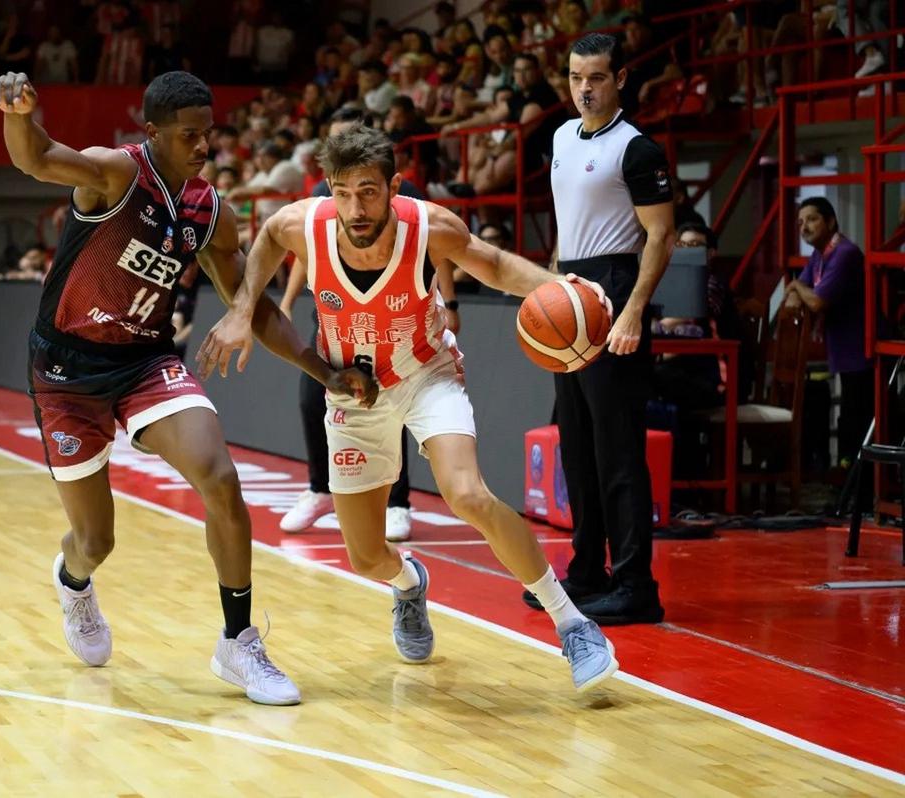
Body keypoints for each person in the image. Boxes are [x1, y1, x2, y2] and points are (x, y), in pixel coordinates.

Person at [0, 69, 376, 705]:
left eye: (209, 134)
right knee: (96, 541)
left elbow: (257, 308)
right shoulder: (115, 172)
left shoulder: (209, 210)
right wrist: (18, 112)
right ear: (153, 132)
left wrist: (324, 370)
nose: (203, 147)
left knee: (220, 478)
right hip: (66, 372)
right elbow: (36, 157)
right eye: (190, 135)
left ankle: (238, 641)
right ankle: (74, 583)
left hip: (144, 361)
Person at [199, 126, 619, 693]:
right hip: (352, 392)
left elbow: (491, 264)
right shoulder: (306, 223)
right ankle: (408, 583)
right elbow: (269, 236)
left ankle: (573, 623)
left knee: (467, 493)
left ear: (393, 187)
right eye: (344, 193)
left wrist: (562, 288)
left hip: (425, 372)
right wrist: (243, 308)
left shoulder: (428, 227)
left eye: (369, 192)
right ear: (329, 188)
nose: (356, 207)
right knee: (367, 556)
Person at [531, 32, 675, 625]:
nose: (584, 88)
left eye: (595, 78)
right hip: (571, 289)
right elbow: (570, 222)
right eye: (575, 78)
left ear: (619, 80)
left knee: (618, 450)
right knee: (577, 443)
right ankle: (587, 570)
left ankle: (637, 584)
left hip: (617, 285)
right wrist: (550, 283)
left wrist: (635, 309)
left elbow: (661, 237)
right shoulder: (563, 138)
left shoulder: (637, 148)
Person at [275, 107, 457, 541]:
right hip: (335, 319)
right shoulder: (325, 194)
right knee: (312, 400)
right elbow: (304, 251)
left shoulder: (399, 190)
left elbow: (443, 245)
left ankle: (398, 502)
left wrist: (448, 301)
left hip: (393, 319)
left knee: (393, 405)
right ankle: (319, 489)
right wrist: (284, 303)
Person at [785, 196, 873, 468]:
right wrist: (797, 289)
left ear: (831, 221)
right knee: (849, 420)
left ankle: (861, 492)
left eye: (812, 219)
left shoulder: (844, 253)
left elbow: (815, 300)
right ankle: (849, 490)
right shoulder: (820, 254)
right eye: (800, 222)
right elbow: (796, 294)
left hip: (862, 349)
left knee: (859, 422)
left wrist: (797, 288)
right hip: (844, 351)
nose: (804, 227)